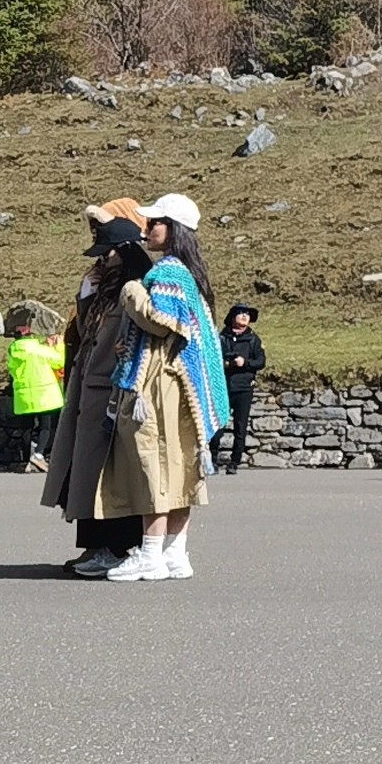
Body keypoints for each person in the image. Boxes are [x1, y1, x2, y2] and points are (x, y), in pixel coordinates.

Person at [102, 190, 228, 583]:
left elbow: (160, 320)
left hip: (159, 382)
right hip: (180, 384)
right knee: (179, 463)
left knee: (152, 461)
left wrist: (132, 292)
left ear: (172, 230)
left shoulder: (167, 274)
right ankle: (175, 552)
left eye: (154, 222)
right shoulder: (189, 273)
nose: (148, 228)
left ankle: (151, 552)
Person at [41, 210, 151, 573]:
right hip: (89, 385)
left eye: (108, 253)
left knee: (111, 472)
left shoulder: (137, 285)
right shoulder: (105, 288)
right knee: (84, 471)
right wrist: (87, 290)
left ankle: (118, 546)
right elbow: (85, 329)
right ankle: (94, 545)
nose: (102, 260)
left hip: (113, 387)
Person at [6, 298, 66, 475]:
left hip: (24, 395)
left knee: (27, 427)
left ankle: (26, 460)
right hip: (45, 392)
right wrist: (58, 346)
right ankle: (39, 455)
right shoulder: (39, 350)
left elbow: (11, 370)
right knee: (45, 427)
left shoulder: (13, 350)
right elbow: (58, 362)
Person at [214, 304, 266, 472]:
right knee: (217, 425)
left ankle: (234, 462)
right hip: (223, 386)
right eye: (240, 314)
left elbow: (261, 362)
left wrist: (245, 363)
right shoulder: (221, 338)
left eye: (247, 315)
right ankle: (212, 458)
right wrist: (226, 364)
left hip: (243, 388)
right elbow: (212, 360)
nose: (244, 317)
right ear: (232, 317)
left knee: (240, 427)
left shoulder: (253, 339)